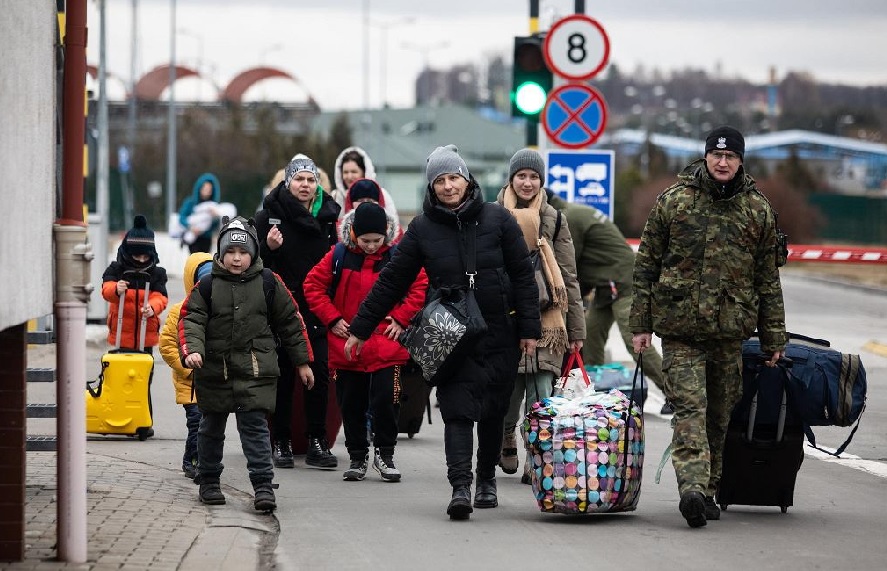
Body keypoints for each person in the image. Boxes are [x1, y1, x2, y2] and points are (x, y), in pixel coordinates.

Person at [344, 144, 541, 521]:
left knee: (494, 411)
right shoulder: (422, 228)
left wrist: (529, 329)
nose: (448, 186)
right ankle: (461, 487)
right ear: (431, 186)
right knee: (457, 410)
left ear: (467, 180)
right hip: (450, 336)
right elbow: (391, 281)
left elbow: (522, 276)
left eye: (454, 178)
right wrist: (361, 327)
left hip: (499, 332)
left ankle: (486, 479)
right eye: (440, 180)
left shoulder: (498, 219)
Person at [629, 126, 787, 528]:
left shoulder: (757, 210)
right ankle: (692, 490)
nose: (722, 162)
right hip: (680, 330)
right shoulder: (675, 202)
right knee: (690, 410)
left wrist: (774, 337)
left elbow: (767, 279)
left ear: (740, 161)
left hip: (730, 331)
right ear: (704, 157)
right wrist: (641, 323)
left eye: (730, 156)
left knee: (719, 414)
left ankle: (710, 489)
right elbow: (646, 265)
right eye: (716, 156)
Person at [178, 216, 315, 512]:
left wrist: (302, 362)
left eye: (242, 252)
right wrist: (192, 351)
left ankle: (263, 486)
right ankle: (210, 481)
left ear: (253, 252)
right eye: (230, 252)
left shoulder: (268, 282)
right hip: (215, 371)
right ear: (220, 253)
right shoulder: (207, 285)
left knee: (255, 430)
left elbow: (291, 322)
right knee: (210, 429)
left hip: (256, 371)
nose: (236, 258)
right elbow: (191, 320)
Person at [304, 202, 428, 482]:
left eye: (377, 240)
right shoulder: (338, 255)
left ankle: (385, 455)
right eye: (365, 241)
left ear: (386, 233)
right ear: (354, 234)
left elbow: (419, 286)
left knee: (387, 401)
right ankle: (358, 456)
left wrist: (401, 318)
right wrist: (332, 319)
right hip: (348, 344)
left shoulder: (398, 256)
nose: (371, 246)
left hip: (387, 343)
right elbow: (312, 285)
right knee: (351, 404)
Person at [495, 149, 586, 482]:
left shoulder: (555, 218)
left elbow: (569, 275)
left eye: (534, 177)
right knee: (509, 392)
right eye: (522, 176)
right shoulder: (493, 215)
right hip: (506, 316)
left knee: (542, 394)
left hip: (549, 319)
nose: (528, 183)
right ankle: (506, 435)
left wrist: (577, 330)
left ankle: (538, 456)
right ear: (512, 179)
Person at [544, 190, 669, 413]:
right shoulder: (574, 211)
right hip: (606, 284)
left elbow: (570, 262)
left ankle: (672, 394)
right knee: (590, 335)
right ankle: (594, 393)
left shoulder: (567, 217)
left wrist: (567, 302)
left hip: (622, 281)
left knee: (635, 339)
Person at [255, 154, 342, 470]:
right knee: (284, 375)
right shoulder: (268, 217)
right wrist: (268, 248)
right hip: (282, 308)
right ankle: (280, 440)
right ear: (287, 182)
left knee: (319, 375)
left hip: (318, 307)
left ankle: (318, 440)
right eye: (299, 179)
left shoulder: (329, 216)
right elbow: (251, 265)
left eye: (310, 179)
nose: (304, 185)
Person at [159, 252, 213, 480]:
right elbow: (167, 345)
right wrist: (187, 367)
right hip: (189, 383)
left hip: (212, 382)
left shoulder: (219, 309)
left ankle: (200, 459)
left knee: (209, 426)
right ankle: (193, 460)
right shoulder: (179, 309)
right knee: (196, 423)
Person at [332, 146, 400, 224]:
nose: (349, 176)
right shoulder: (335, 197)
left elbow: (393, 226)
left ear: (364, 172)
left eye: (354, 172)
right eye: (345, 172)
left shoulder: (381, 194)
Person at [338, 178, 403, 243]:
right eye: (360, 200)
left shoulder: (395, 231)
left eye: (370, 201)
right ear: (351, 202)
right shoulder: (338, 229)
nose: (365, 203)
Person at [178, 173, 222, 253]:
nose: (207, 191)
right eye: (205, 188)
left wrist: (215, 217)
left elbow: (215, 225)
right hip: (193, 237)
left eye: (209, 189)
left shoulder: (214, 206)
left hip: (206, 238)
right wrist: (191, 228)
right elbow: (182, 218)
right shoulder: (190, 203)